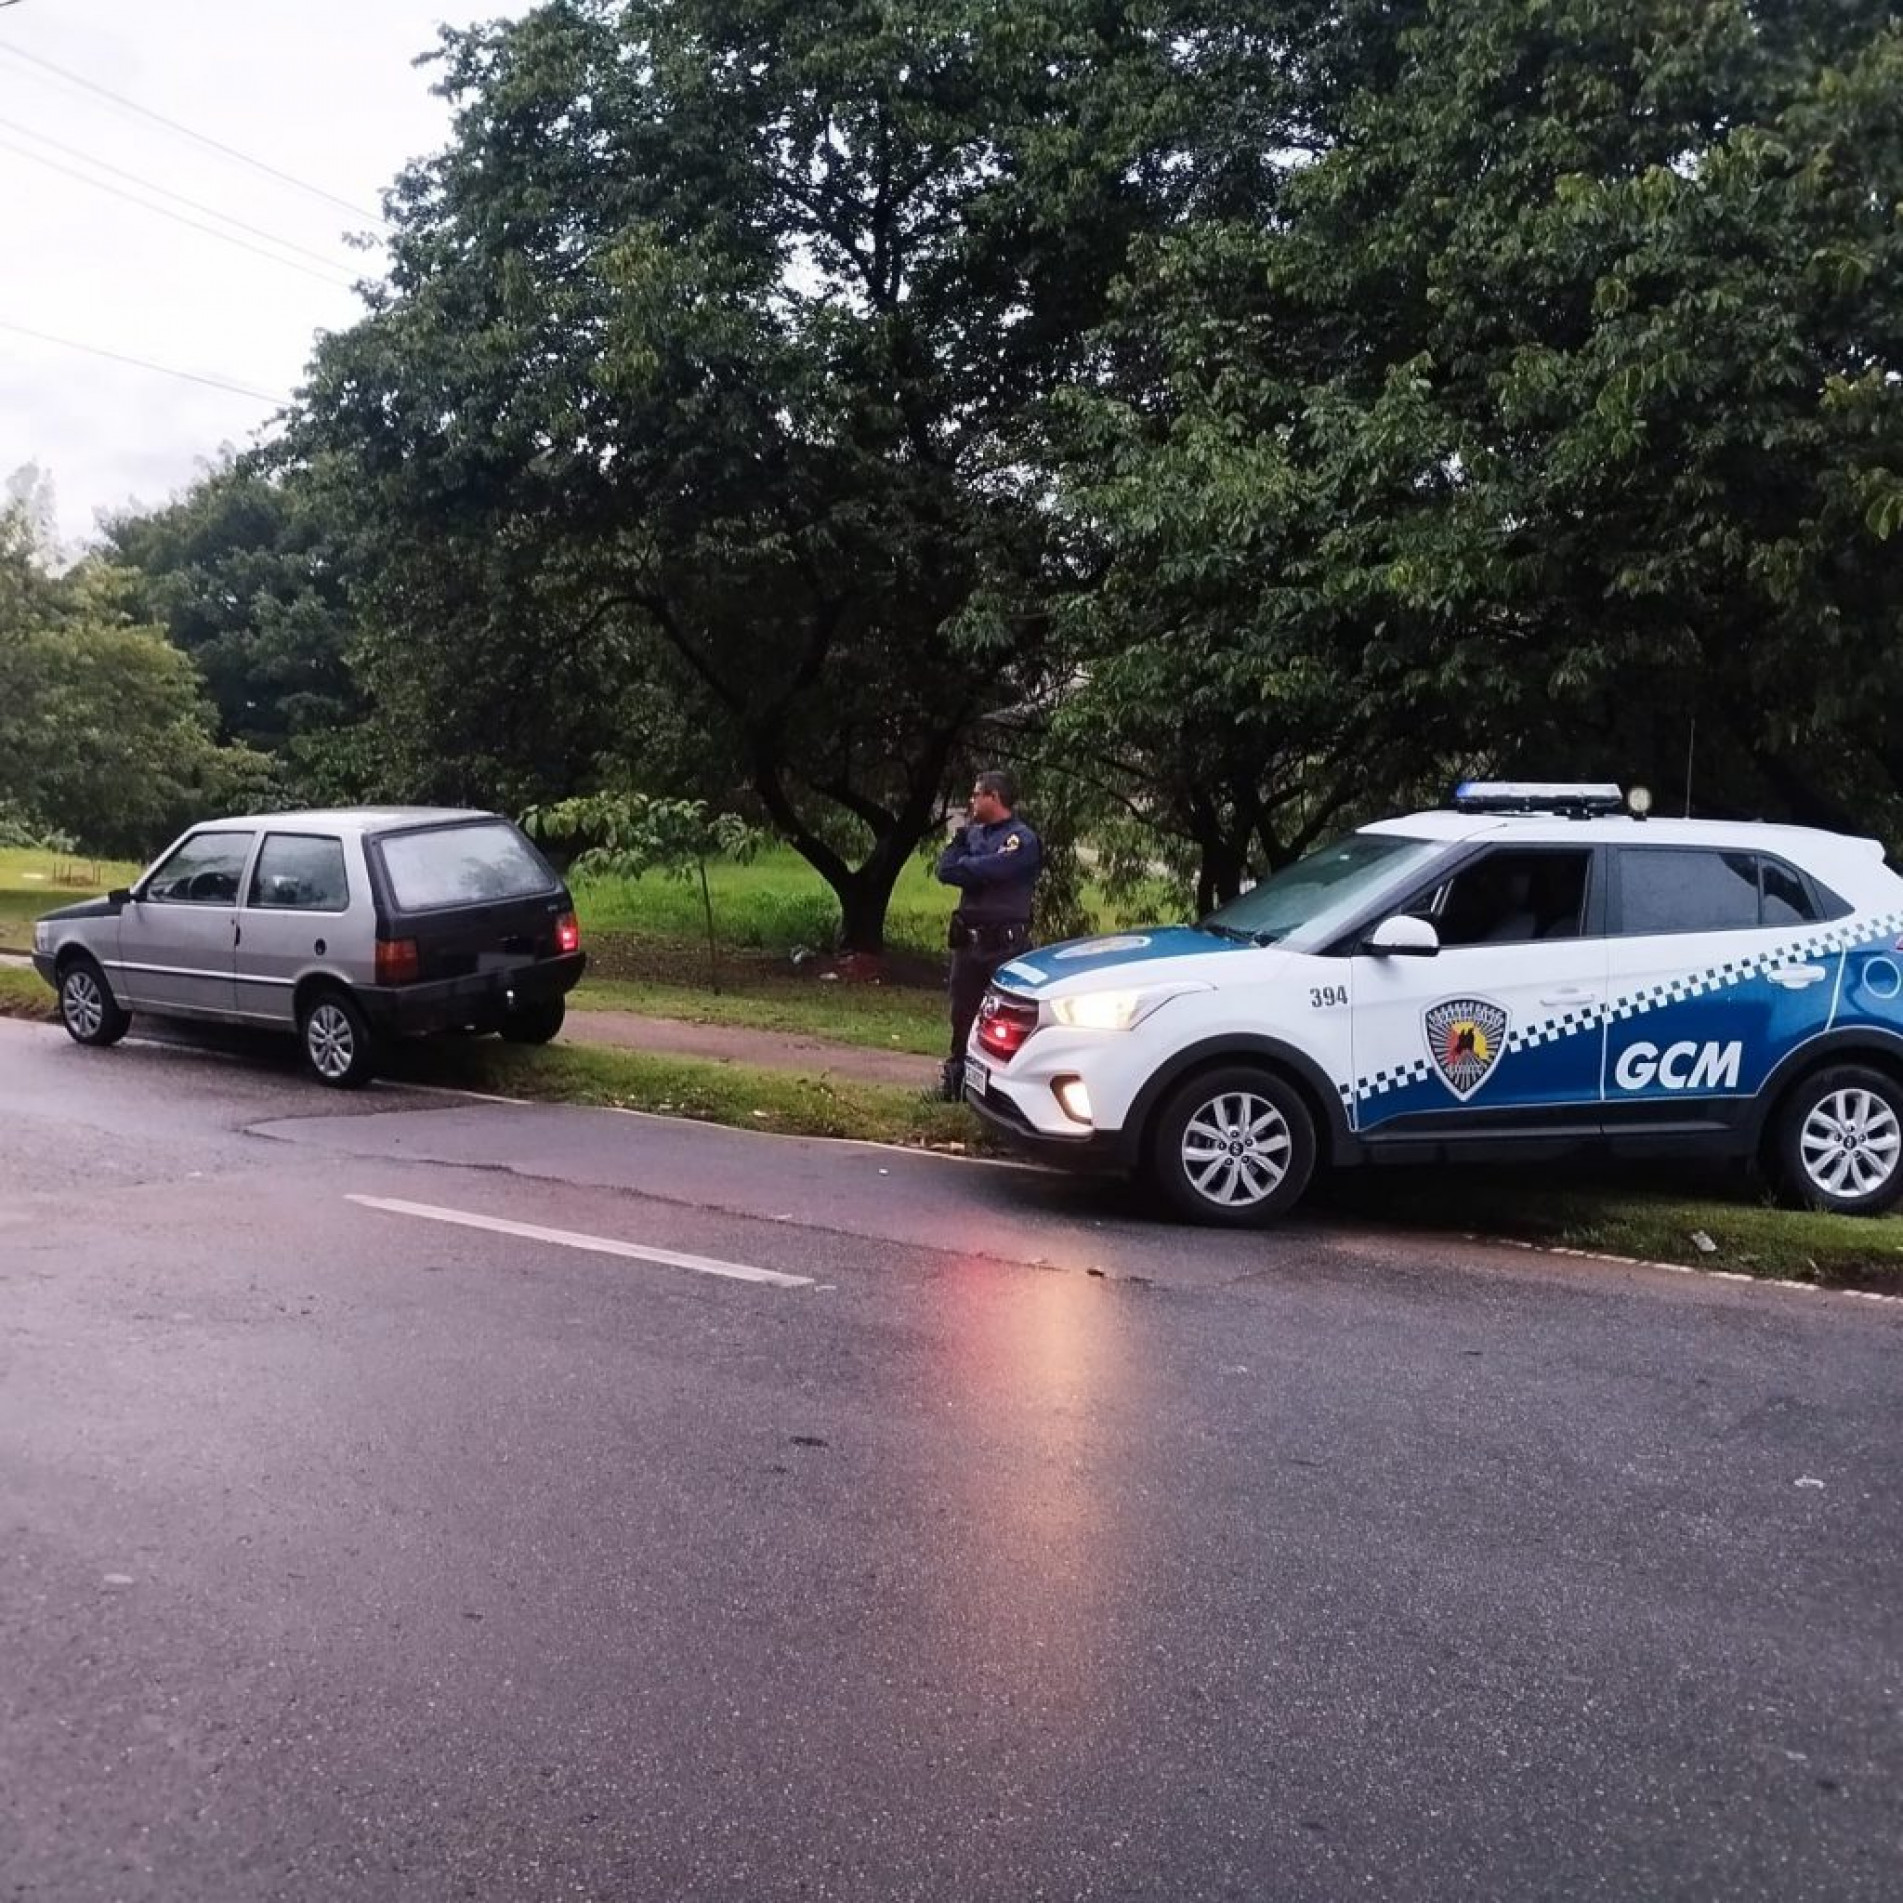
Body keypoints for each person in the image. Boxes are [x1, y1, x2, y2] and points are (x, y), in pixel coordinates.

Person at [934, 770, 1042, 1100]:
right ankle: (956, 1084)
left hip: (1003, 946)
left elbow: (997, 869)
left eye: (976, 794)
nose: (971, 800)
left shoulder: (1022, 839)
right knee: (963, 1014)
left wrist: (971, 866)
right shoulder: (971, 834)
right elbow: (946, 869)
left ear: (993, 797)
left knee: (1004, 1021)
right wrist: (974, 864)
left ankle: (998, 1092)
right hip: (969, 944)